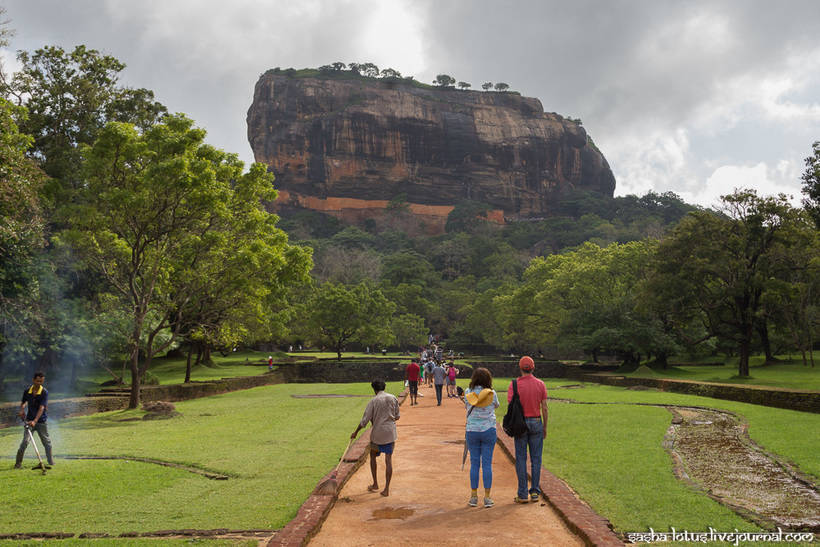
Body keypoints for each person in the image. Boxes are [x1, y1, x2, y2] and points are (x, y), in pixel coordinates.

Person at [507, 356, 548, 503]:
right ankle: (535, 492)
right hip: (536, 421)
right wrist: (544, 426)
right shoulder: (540, 384)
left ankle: (523, 493)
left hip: (521, 424)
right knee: (536, 459)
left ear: (520, 368)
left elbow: (511, 405)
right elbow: (544, 407)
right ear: (533, 368)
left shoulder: (514, 385)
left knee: (521, 458)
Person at [351, 379, 400, 496]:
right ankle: (386, 489)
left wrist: (356, 432)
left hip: (377, 434)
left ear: (374, 389)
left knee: (373, 456)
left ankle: (375, 483)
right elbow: (397, 416)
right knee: (388, 460)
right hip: (390, 433)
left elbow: (364, 421)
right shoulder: (393, 398)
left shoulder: (373, 401)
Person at [460, 367, 499, 507]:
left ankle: (473, 496)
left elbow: (467, 406)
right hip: (488, 429)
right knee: (487, 464)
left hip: (472, 431)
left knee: (475, 464)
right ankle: (487, 497)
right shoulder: (491, 393)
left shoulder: (468, 392)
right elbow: (496, 406)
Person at [15, 371, 54, 469]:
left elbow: (42, 408)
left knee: (47, 442)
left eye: (41, 381)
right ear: (33, 380)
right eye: (37, 381)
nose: (39, 383)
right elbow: (24, 402)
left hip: (41, 422)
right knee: (24, 442)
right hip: (29, 421)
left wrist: (35, 421)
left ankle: (50, 460)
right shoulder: (27, 391)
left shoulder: (44, 392)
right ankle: (18, 464)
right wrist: (22, 409)